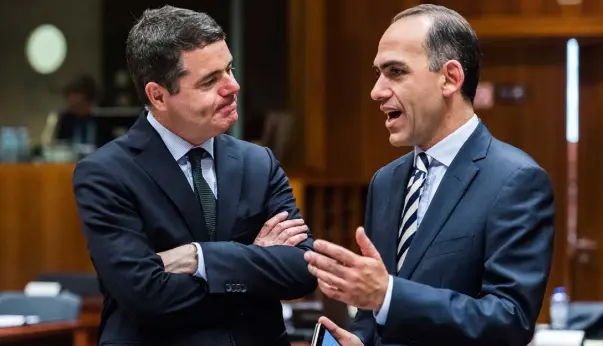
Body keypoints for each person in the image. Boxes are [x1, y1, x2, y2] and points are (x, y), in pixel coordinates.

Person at [303, 4, 554, 346]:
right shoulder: (386, 181)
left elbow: (510, 322)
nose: (376, 91)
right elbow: (372, 313)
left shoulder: (516, 180)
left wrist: (388, 295)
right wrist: (361, 339)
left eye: (395, 72)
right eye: (377, 73)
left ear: (450, 78)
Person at [72, 6, 317, 346]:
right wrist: (256, 260)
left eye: (229, 69)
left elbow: (301, 270)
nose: (233, 86)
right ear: (158, 95)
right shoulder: (106, 174)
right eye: (210, 80)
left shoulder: (258, 162)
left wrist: (200, 258)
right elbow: (147, 296)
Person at [55, 74, 98, 146]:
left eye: (71, 95)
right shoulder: (66, 119)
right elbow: (60, 145)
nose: (68, 100)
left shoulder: (99, 120)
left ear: (83, 96)